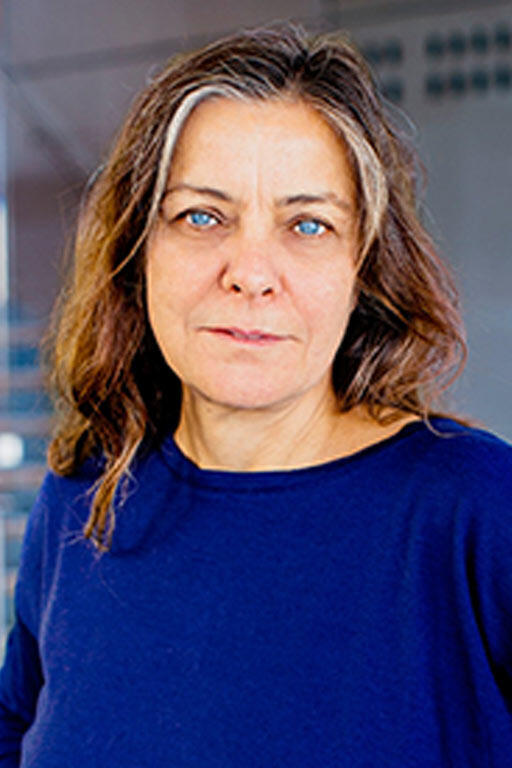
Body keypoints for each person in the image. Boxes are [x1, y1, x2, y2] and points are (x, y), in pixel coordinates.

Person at [0, 22, 511, 767]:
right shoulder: (84, 496)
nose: (250, 271)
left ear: (362, 267)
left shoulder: (476, 508)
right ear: (138, 252)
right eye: (202, 216)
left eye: (308, 224)